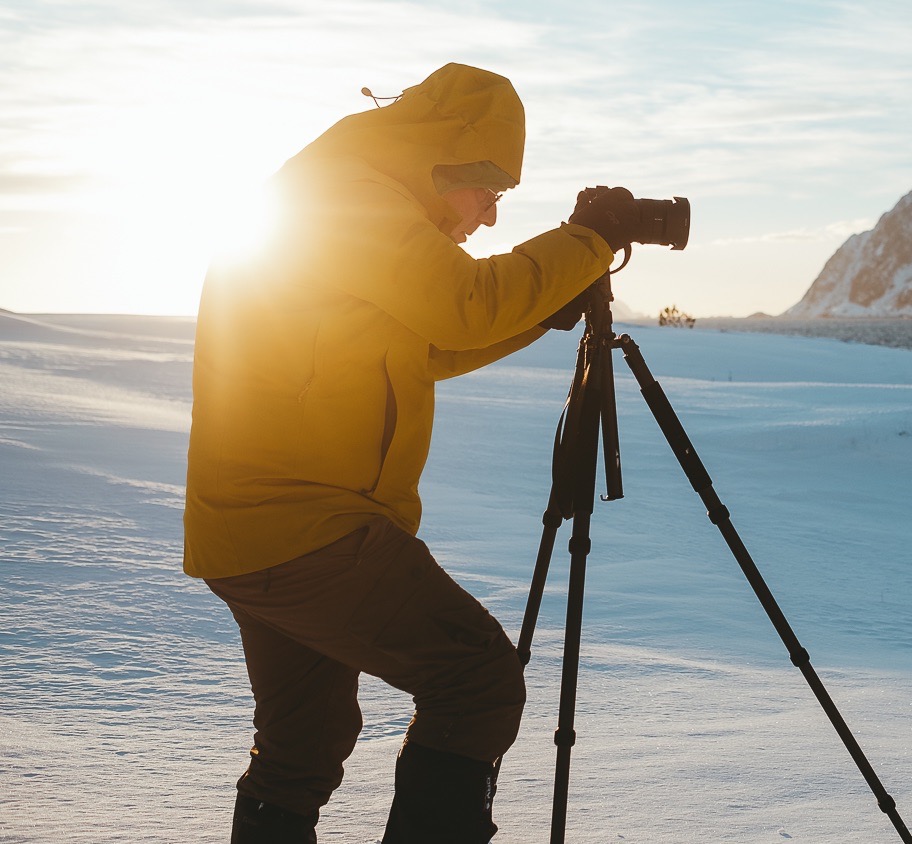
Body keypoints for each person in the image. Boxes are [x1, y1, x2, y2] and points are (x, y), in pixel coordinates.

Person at [183, 63, 643, 843]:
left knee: (304, 742)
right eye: (489, 193)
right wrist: (586, 242)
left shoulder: (339, 195)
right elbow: (464, 306)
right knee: (477, 682)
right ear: (450, 161)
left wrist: (540, 312)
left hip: (256, 531)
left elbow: (421, 345)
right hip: (306, 528)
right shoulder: (351, 200)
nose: (490, 219)